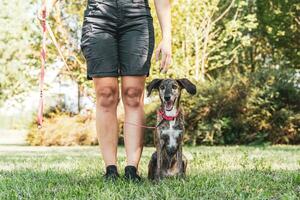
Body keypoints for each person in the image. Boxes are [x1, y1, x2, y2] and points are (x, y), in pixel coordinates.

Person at [39, 0, 171, 181]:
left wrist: (167, 36)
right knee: (106, 94)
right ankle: (110, 170)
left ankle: (132, 169)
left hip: (137, 17)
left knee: (133, 94)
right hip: (98, 16)